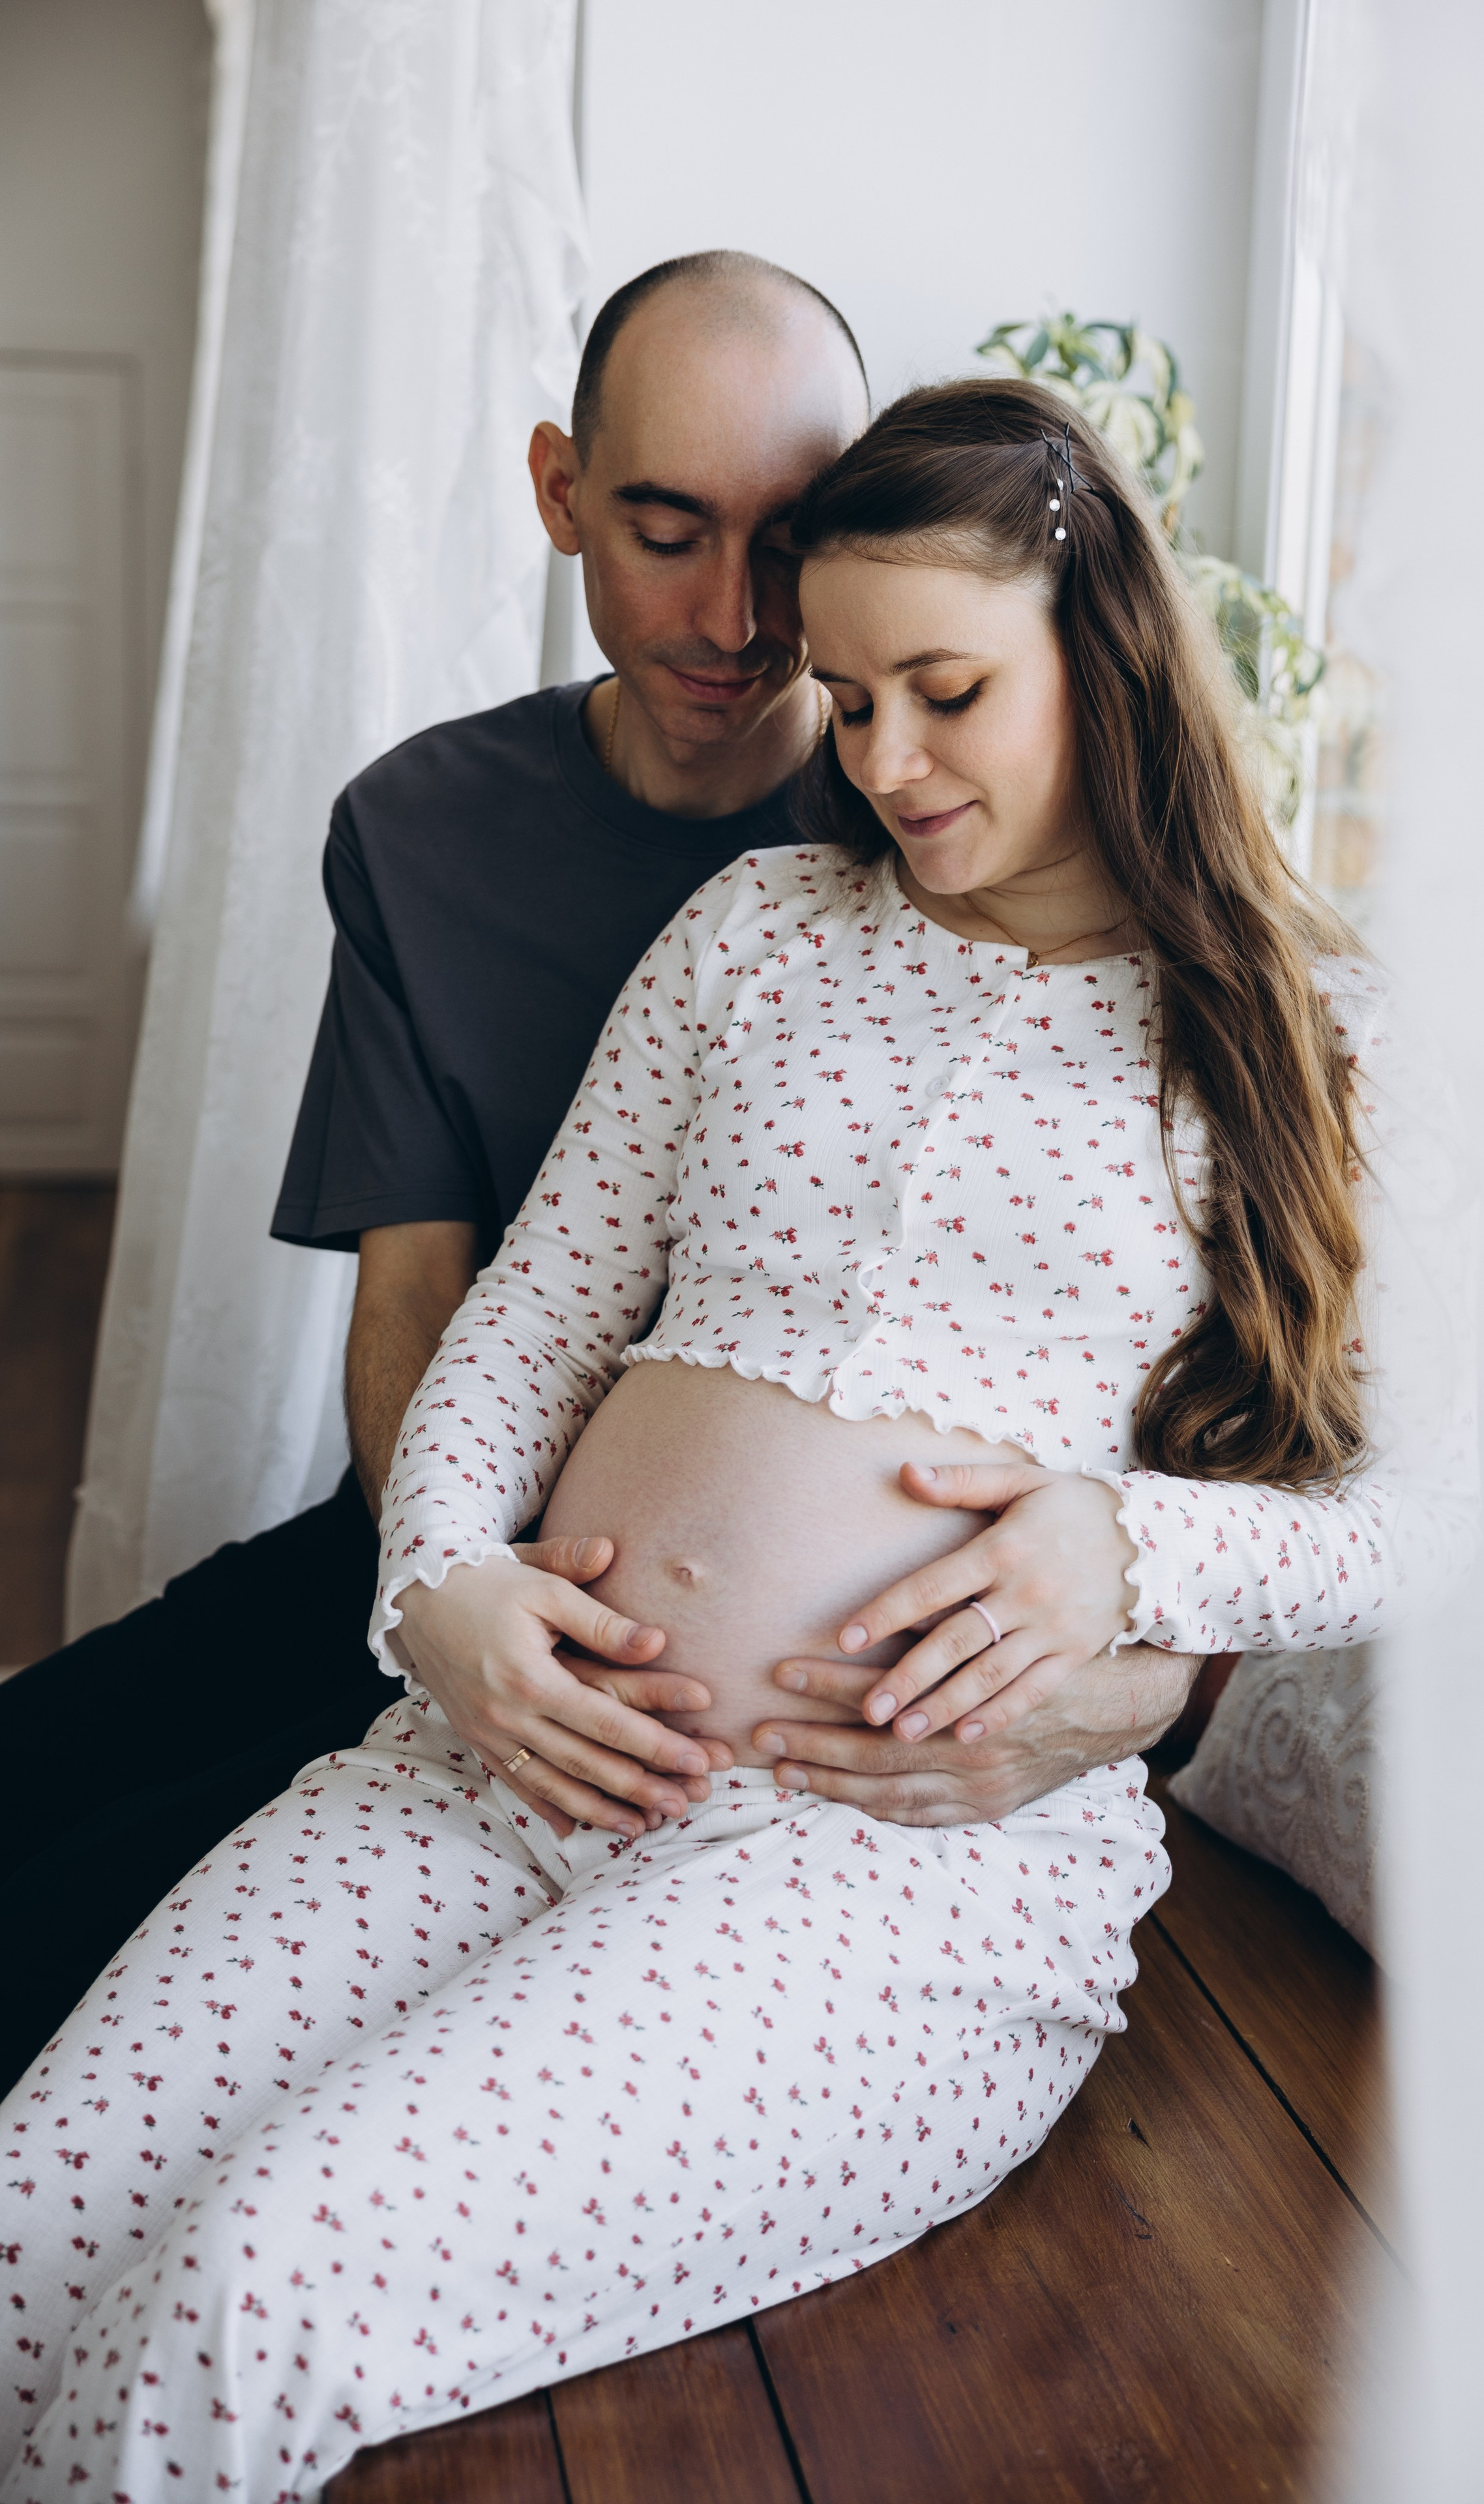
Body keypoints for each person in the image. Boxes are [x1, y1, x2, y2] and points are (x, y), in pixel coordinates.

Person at [0, 375, 1465, 2503]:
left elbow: (1428, 1507)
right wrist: (442, 1588)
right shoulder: (757, 937)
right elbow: (532, 1318)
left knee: (253, 2289)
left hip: (881, 1878)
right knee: (30, 2203)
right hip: (502, 1759)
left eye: (947, 692)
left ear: (1109, 649)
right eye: (848, 702)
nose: (886, 763)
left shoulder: (1318, 1034)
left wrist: (1124, 1552)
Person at [0, 253, 1198, 2093]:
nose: (736, 616)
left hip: (807, 1730)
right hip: (466, 1544)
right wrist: (456, 1603)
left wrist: (1124, 1695)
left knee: (100, 1952)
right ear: (561, 492)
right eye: (664, 529)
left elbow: (1214, 1362)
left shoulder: (959, 826)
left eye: (787, 543)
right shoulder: (426, 830)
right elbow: (425, 1293)